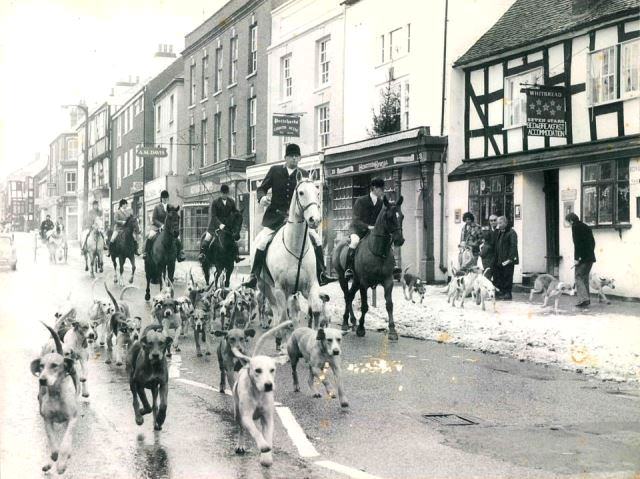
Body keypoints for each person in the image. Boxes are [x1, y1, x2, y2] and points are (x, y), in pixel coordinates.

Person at [242, 143, 337, 288]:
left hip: (297, 220)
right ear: (285, 158)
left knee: (316, 239)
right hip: (275, 218)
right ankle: (254, 275)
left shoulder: (304, 175)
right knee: (262, 242)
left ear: (299, 158)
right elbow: (262, 188)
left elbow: (310, 194)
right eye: (291, 156)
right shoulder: (275, 171)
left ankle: (321, 273)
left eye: (296, 156)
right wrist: (261, 198)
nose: (294, 159)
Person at [344, 178, 402, 280]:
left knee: (386, 240)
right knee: (354, 242)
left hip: (373, 231)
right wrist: (368, 226)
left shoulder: (381, 203)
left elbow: (382, 219)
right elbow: (355, 219)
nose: (382, 192)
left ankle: (393, 265)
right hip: (357, 229)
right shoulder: (361, 201)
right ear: (374, 188)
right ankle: (349, 269)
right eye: (381, 189)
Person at [199, 184, 243, 263]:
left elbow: (234, 211)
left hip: (227, 226)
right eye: (223, 193)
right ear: (220, 193)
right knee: (207, 238)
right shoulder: (215, 202)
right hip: (214, 226)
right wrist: (220, 224)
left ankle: (236, 256)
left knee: (233, 241)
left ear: (228, 193)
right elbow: (214, 216)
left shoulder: (231, 201)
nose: (224, 195)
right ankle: (202, 254)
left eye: (226, 194)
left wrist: (238, 213)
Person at [143, 190, 185, 262]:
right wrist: (161, 225)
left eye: (166, 198)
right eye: (163, 198)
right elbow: (154, 219)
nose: (165, 200)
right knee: (150, 236)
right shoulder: (157, 207)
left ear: (168, 198)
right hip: (157, 227)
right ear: (161, 199)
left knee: (178, 238)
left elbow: (174, 218)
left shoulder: (171, 207)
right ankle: (146, 253)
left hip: (169, 228)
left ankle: (180, 253)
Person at [566, 212, 595, 308]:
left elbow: (578, 244)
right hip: (590, 257)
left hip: (582, 258)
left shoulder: (575, 227)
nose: (569, 224)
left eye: (568, 222)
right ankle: (586, 299)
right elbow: (593, 242)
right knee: (584, 278)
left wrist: (578, 258)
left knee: (578, 277)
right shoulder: (586, 226)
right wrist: (589, 253)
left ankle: (583, 299)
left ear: (571, 220)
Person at [493, 216, 519, 300]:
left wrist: (510, 259)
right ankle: (501, 292)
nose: (498, 225)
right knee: (500, 276)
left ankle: (508, 293)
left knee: (508, 276)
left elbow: (513, 246)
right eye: (498, 223)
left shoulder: (511, 232)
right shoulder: (500, 232)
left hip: (508, 259)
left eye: (500, 223)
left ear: (505, 223)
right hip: (499, 259)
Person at [479, 214, 498, 279]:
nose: (493, 222)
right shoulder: (486, 231)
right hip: (489, 258)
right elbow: (483, 243)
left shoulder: (500, 231)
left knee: (497, 277)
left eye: (494, 220)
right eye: (491, 221)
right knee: (487, 276)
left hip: (498, 257)